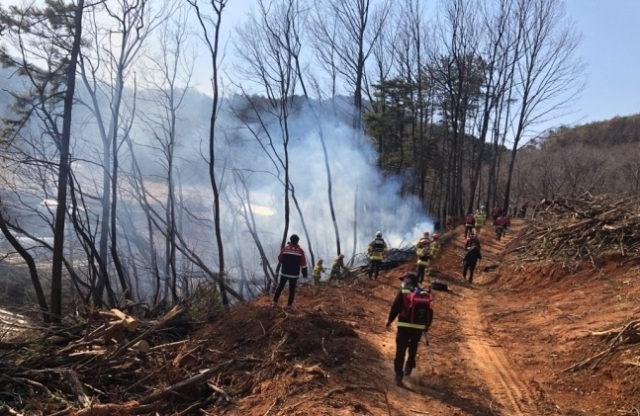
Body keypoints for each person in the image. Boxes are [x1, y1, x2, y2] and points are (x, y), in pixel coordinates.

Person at [386, 272, 434, 386]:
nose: (402, 281)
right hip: (418, 326)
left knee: (400, 350)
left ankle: (398, 375)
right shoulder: (424, 293)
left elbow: (395, 307)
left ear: (409, 280)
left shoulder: (404, 291)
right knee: (413, 346)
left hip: (404, 325)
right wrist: (427, 326)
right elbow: (430, 311)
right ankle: (409, 366)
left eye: (404, 279)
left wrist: (389, 321)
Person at [272, 234, 308, 311]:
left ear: (290, 240)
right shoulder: (300, 251)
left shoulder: (285, 249)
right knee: (292, 290)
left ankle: (274, 302)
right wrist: (305, 273)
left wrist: (285, 263)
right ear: (298, 241)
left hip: (284, 272)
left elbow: (280, 258)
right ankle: (289, 306)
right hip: (294, 274)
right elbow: (303, 264)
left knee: (280, 287)